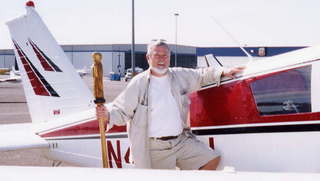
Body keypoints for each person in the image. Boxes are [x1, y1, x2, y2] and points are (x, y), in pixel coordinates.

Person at [96, 39, 244, 170]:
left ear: (169, 57)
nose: (162, 59)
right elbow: (121, 110)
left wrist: (223, 71)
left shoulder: (179, 75)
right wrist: (107, 115)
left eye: (165, 55)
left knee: (211, 160)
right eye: (157, 55)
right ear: (148, 57)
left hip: (180, 141)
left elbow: (202, 75)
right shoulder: (138, 83)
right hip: (154, 148)